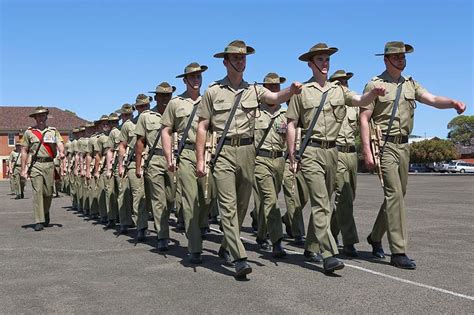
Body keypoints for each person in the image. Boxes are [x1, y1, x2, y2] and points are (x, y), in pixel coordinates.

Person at [195, 40, 302, 278]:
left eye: (243, 58)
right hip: (222, 153)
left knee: (243, 205)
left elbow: (275, 96)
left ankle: (226, 246)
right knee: (228, 206)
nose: (240, 61)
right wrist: (200, 160)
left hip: (247, 152)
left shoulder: (254, 90)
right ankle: (239, 257)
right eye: (235, 57)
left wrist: (291, 91)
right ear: (225, 61)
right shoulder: (213, 91)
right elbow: (202, 126)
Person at [360, 41, 466, 269]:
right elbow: (364, 118)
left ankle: (375, 236)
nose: (401, 59)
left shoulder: (411, 85)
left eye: (403, 56)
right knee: (394, 194)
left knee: (398, 194)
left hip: (404, 146)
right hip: (384, 145)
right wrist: (367, 151)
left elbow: (432, 99)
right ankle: (398, 251)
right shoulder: (374, 84)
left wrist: (452, 103)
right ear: (386, 59)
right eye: (396, 56)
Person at [286, 43, 385, 274]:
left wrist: (373, 93)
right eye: (320, 59)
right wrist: (292, 154)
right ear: (310, 64)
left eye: (327, 59)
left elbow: (360, 100)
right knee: (321, 202)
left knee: (326, 202)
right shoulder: (302, 92)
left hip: (334, 153)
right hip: (311, 152)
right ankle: (329, 254)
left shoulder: (339, 90)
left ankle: (311, 245)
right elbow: (291, 122)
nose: (324, 63)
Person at [161, 62, 212, 264]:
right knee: (190, 201)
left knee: (209, 198)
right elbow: (166, 131)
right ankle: (195, 247)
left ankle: (200, 227)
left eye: (199, 76)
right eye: (192, 77)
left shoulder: (210, 100)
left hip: (208, 153)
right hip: (187, 154)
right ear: (185, 80)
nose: (196, 80)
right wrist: (169, 158)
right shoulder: (176, 103)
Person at [252, 72, 288, 258]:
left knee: (268, 200)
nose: (274, 89)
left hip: (279, 160)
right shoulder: (255, 112)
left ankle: (261, 233)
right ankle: (277, 241)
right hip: (260, 160)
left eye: (276, 86)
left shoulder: (286, 113)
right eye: (270, 86)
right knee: (270, 200)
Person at [135, 87, 174, 251]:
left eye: (168, 95)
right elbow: (140, 142)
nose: (165, 99)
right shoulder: (146, 116)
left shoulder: (176, 112)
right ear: (156, 98)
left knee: (172, 198)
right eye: (162, 96)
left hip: (173, 158)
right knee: (159, 200)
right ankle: (162, 235)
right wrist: (138, 166)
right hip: (155, 159)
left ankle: (164, 221)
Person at [328, 69, 360, 257]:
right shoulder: (331, 104)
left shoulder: (354, 105)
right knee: (344, 197)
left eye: (346, 82)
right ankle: (349, 241)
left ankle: (329, 233)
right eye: (340, 82)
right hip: (337, 151)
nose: (344, 84)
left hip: (352, 154)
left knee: (349, 197)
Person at [20, 106, 64, 231]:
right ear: (35, 118)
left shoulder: (53, 131)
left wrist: (61, 152)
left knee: (48, 192)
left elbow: (60, 143)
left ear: (46, 116)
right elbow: (24, 151)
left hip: (49, 164)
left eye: (43, 115)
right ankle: (39, 220)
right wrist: (23, 169)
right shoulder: (29, 133)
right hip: (36, 165)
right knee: (37, 191)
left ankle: (45, 212)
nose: (41, 118)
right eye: (38, 116)